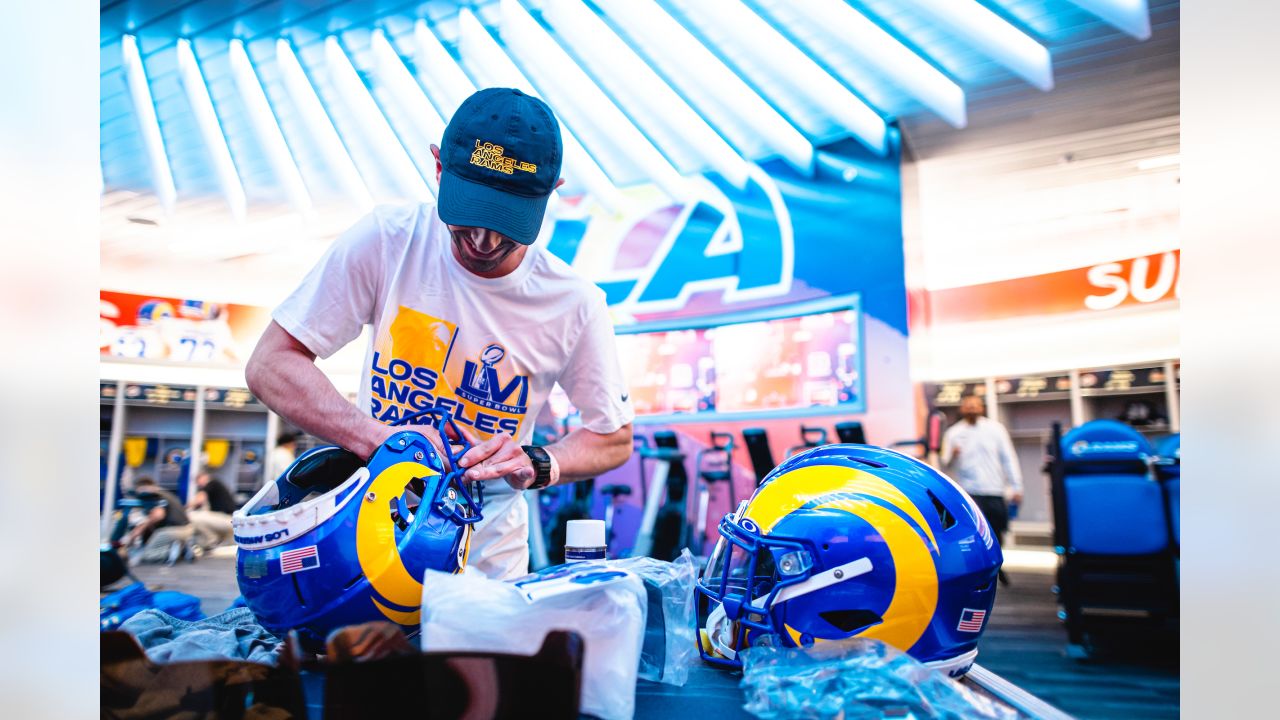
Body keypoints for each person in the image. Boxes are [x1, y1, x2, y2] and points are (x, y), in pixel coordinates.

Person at [245, 88, 635, 579]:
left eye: (507, 221)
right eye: (470, 211)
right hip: (365, 555)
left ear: (550, 192)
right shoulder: (390, 240)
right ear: (438, 168)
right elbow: (270, 364)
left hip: (487, 573)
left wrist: (538, 462)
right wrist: (380, 439)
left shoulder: (573, 303)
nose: (484, 240)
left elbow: (614, 438)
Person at [940, 394, 1023, 584]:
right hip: (968, 493)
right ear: (962, 409)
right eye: (968, 406)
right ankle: (980, 571)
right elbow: (944, 464)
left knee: (997, 532)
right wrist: (952, 455)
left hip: (994, 490)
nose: (971, 409)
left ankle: (997, 566)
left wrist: (1017, 486)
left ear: (982, 408)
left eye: (975, 405)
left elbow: (1008, 458)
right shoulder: (953, 433)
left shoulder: (996, 430)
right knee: (973, 534)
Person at [121, 477, 194, 564]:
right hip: (187, 529)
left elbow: (158, 515)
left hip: (172, 530)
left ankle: (172, 552)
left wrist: (139, 529)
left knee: (146, 555)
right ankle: (181, 548)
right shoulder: (167, 494)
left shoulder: (157, 496)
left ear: (143, 488)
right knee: (155, 542)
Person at [186, 471, 236, 550]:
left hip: (226, 519)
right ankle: (213, 539)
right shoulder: (215, 485)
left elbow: (200, 499)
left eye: (198, 481)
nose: (199, 485)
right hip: (227, 520)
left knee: (192, 517)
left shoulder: (211, 483)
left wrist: (185, 508)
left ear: (204, 477)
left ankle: (211, 539)